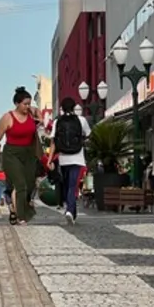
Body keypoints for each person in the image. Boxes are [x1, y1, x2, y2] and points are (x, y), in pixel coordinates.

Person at [0, 87, 42, 226]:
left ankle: (15, 209)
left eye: (29, 103)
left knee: (29, 184)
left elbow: (40, 116)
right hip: (11, 154)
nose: (27, 106)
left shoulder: (31, 112)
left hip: (29, 153)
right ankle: (22, 217)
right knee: (20, 184)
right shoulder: (7, 118)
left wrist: (33, 109)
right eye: (24, 104)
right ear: (16, 103)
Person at [48, 96, 91, 225]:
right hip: (77, 157)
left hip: (63, 158)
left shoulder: (57, 122)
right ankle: (70, 211)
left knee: (67, 186)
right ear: (74, 108)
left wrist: (49, 159)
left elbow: (53, 142)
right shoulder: (81, 120)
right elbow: (89, 135)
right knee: (73, 186)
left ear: (61, 108)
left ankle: (70, 210)